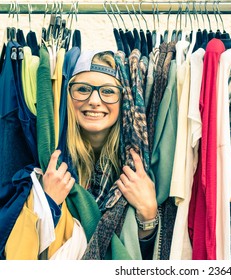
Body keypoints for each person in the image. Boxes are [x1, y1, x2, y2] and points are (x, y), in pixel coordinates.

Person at [5, 50, 158, 260]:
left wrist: (148, 216)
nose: (94, 100)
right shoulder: (52, 164)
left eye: (108, 91)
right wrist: (48, 202)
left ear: (123, 100)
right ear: (68, 97)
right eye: (83, 89)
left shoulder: (135, 167)